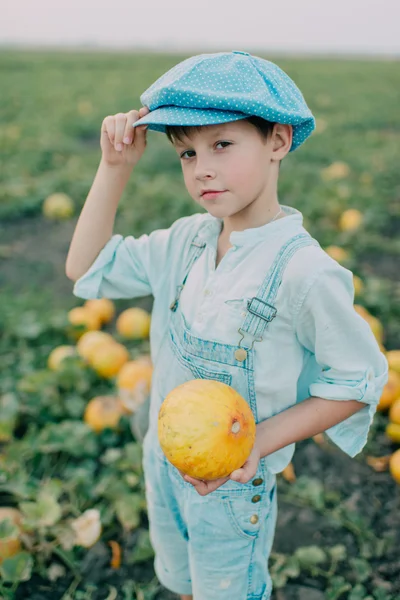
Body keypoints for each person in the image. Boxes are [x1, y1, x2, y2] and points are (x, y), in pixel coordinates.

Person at [66, 51, 388, 600]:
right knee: (185, 584)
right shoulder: (183, 242)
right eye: (188, 153)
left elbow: (358, 382)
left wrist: (257, 443)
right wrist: (114, 168)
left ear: (278, 142)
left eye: (222, 145)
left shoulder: (304, 272)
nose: (202, 168)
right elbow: (86, 267)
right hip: (165, 462)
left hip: (236, 485)